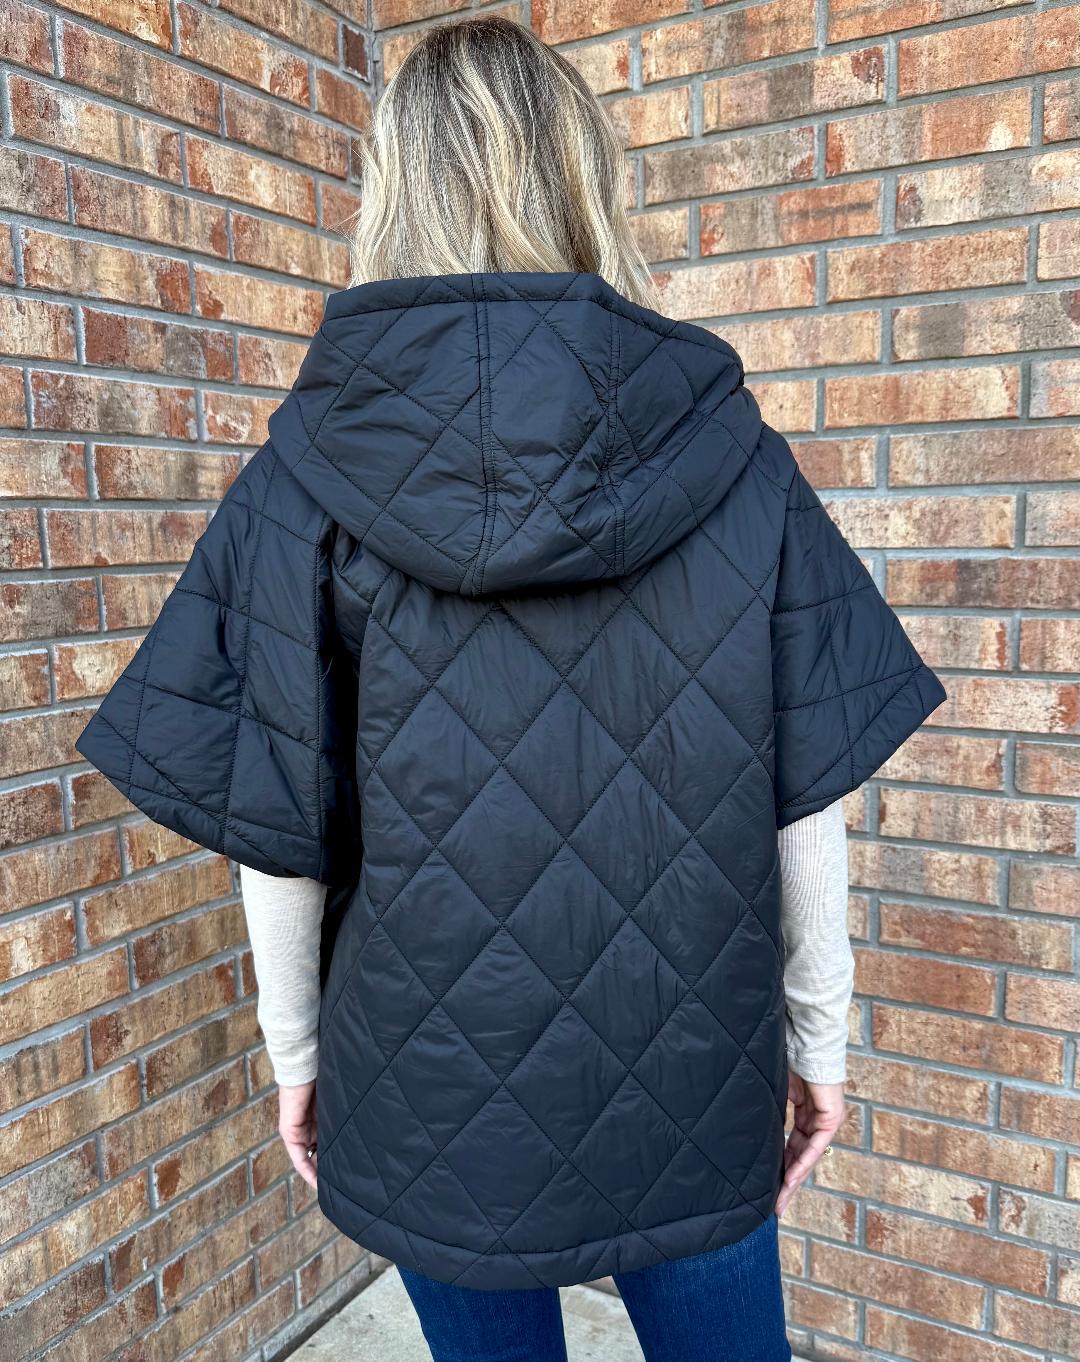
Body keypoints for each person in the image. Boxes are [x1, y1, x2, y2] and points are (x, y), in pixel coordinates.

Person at [75, 16, 947, 1362]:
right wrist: (820, 1038)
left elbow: (277, 834)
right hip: (691, 1066)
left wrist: (296, 1056)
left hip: (429, 1086)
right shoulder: (733, 457)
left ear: (393, 191)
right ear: (586, 175)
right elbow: (804, 796)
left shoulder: (304, 482)